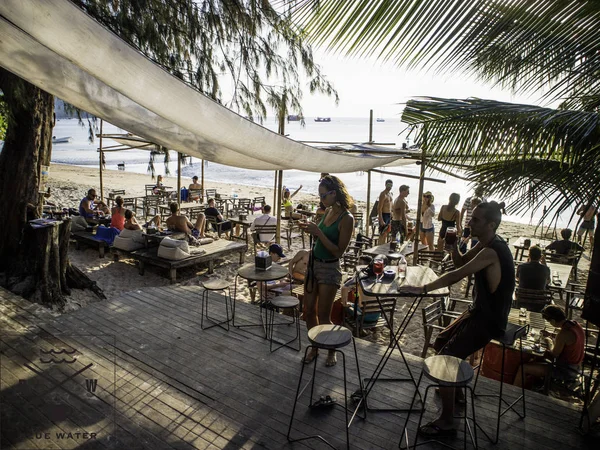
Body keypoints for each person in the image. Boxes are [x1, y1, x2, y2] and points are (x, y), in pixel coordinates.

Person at [403, 201, 514, 437]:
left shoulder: (491, 251)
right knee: (441, 342)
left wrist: (423, 289)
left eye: (475, 220)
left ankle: (447, 421)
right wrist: (454, 248)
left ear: (491, 224)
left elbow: (456, 274)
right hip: (478, 312)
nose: (469, 223)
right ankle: (456, 392)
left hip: (488, 321)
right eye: (471, 218)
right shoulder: (487, 243)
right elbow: (461, 262)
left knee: (445, 360)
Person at [299, 175, 354, 367]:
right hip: (314, 264)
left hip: (330, 268)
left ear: (334, 193)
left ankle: (331, 350)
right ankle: (314, 347)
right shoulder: (328, 210)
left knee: (324, 315)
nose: (321, 200)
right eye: (320, 196)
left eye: (323, 196)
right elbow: (320, 240)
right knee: (308, 311)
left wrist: (318, 232)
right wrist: (311, 231)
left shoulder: (347, 218)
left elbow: (339, 251)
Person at [514, 305, 585, 388]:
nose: (550, 324)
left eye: (549, 322)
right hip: (577, 366)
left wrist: (549, 340)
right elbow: (568, 340)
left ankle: (514, 392)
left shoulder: (563, 334)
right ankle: (533, 384)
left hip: (566, 371)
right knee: (537, 358)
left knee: (523, 368)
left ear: (553, 321)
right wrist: (551, 335)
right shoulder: (575, 325)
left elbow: (554, 354)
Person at [460, 186, 487, 252]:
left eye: (481, 191)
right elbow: (463, 211)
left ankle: (470, 256)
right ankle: (463, 256)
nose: (479, 193)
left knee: (474, 243)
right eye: (478, 191)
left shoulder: (484, 201)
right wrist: (460, 223)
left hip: (477, 225)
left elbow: (485, 214)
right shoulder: (469, 199)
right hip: (468, 224)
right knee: (463, 243)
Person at [377, 179, 394, 244]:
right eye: (388, 185)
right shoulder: (383, 194)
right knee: (382, 233)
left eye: (391, 185)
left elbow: (391, 205)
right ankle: (379, 247)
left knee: (386, 232)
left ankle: (383, 246)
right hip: (384, 215)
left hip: (389, 215)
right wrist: (381, 219)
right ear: (385, 185)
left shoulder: (390, 194)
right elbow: (379, 208)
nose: (389, 187)